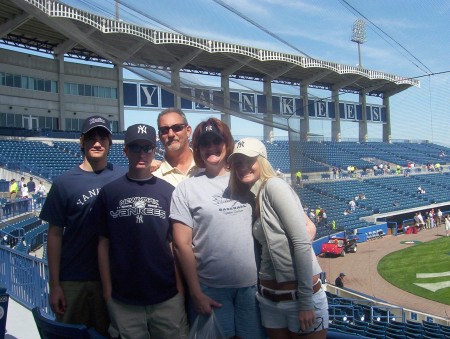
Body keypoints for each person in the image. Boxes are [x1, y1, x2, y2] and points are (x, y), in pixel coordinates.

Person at [171, 118, 265, 339]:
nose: (211, 147)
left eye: (217, 141)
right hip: (210, 289)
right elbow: (181, 244)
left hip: (251, 288)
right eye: (205, 143)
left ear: (227, 143)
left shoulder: (247, 179)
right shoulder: (186, 189)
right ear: (198, 148)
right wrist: (196, 293)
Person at [91, 124, 188, 338]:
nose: (142, 153)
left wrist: (180, 289)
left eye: (147, 148)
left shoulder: (169, 191)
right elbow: (103, 244)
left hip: (167, 296)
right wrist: (107, 292)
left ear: (155, 150)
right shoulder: (110, 192)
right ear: (125, 150)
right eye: (135, 148)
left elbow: (174, 243)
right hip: (124, 299)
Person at [228, 138, 328, 339]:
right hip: (269, 301)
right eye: (238, 162)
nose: (243, 167)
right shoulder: (252, 196)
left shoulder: (274, 186)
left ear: (262, 160)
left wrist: (306, 302)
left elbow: (300, 242)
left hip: (299, 300)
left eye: (249, 160)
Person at [39, 116, 126, 336]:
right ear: (82, 141)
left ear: (109, 142)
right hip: (73, 279)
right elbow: (55, 235)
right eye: (91, 138)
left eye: (102, 138)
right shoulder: (64, 183)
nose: (97, 143)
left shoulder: (123, 177)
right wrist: (55, 284)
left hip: (112, 278)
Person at [152, 107, 202, 187]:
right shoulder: (153, 176)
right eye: (164, 130)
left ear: (188, 131)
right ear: (160, 135)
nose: (171, 134)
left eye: (177, 128)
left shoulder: (207, 165)